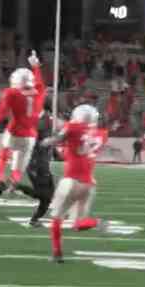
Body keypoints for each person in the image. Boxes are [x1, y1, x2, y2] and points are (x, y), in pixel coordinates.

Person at [42, 104, 107, 264]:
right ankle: (96, 222)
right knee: (78, 224)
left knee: (56, 218)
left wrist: (45, 142)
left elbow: (58, 139)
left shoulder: (73, 126)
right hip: (89, 184)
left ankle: (57, 253)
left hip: (71, 181)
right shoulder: (101, 133)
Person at [0, 51, 46, 195]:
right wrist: (36, 66)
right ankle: (13, 182)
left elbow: (1, 113)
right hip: (30, 135)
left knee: (5, 151)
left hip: (14, 131)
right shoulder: (39, 91)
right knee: (18, 165)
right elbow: (40, 83)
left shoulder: (12, 92)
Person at [14, 102, 56, 227]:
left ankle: (35, 219)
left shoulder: (44, 121)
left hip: (42, 163)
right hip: (36, 164)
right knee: (43, 195)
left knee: (48, 196)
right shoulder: (41, 122)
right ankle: (18, 186)